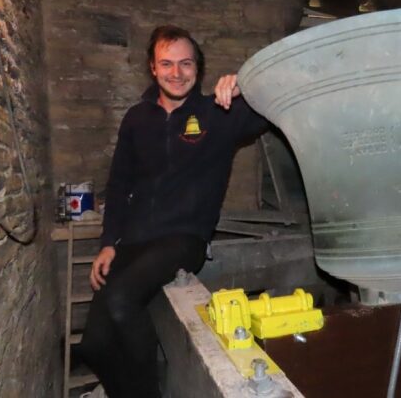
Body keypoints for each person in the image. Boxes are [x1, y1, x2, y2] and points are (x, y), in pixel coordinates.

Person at [78, 25, 267, 398]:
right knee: (94, 345)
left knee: (121, 300)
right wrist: (108, 242)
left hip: (184, 238)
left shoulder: (221, 112)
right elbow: (119, 185)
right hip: (132, 241)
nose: (176, 73)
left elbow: (281, 99)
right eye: (167, 63)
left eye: (185, 63)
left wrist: (249, 84)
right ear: (152, 67)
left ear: (198, 68)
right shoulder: (136, 118)